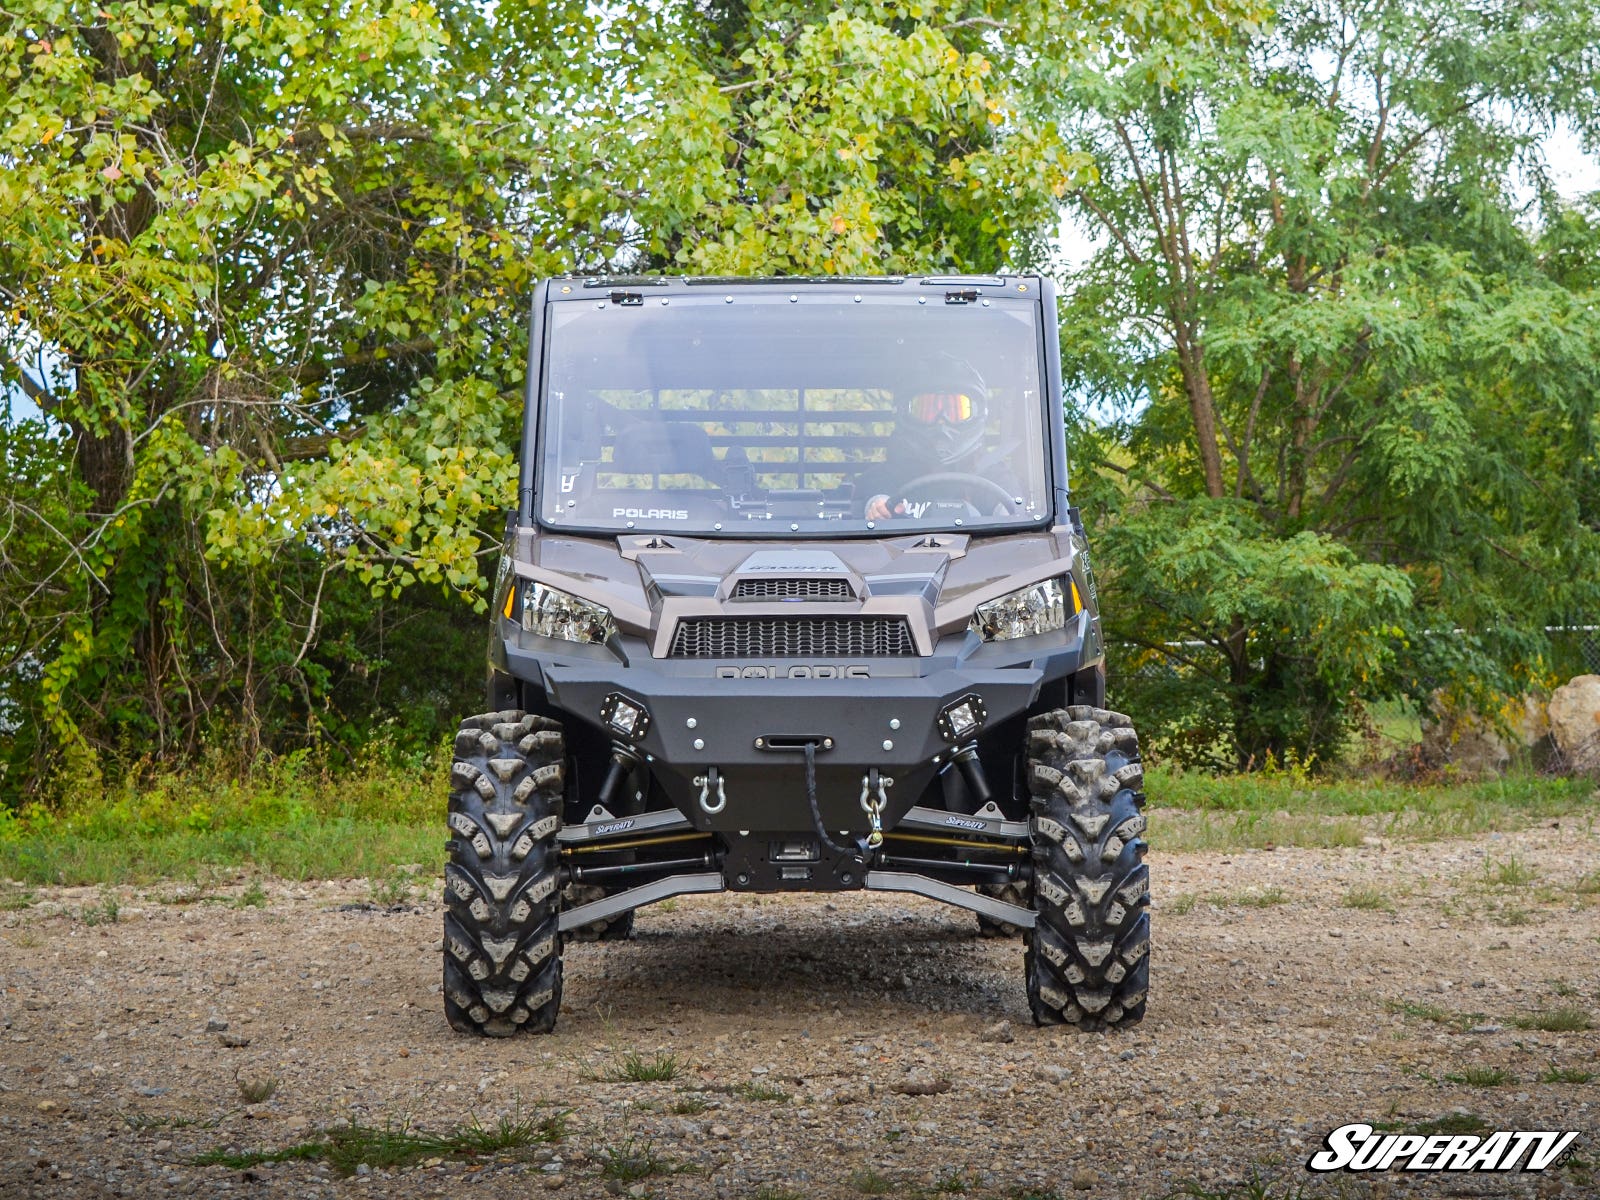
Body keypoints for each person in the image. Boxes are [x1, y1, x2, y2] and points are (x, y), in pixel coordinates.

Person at [857, 365, 1021, 521]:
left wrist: (1009, 513)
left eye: (954, 410)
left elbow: (1014, 517)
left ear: (977, 413)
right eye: (928, 410)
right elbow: (874, 494)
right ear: (905, 413)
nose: (941, 422)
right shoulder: (886, 476)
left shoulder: (994, 475)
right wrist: (877, 507)